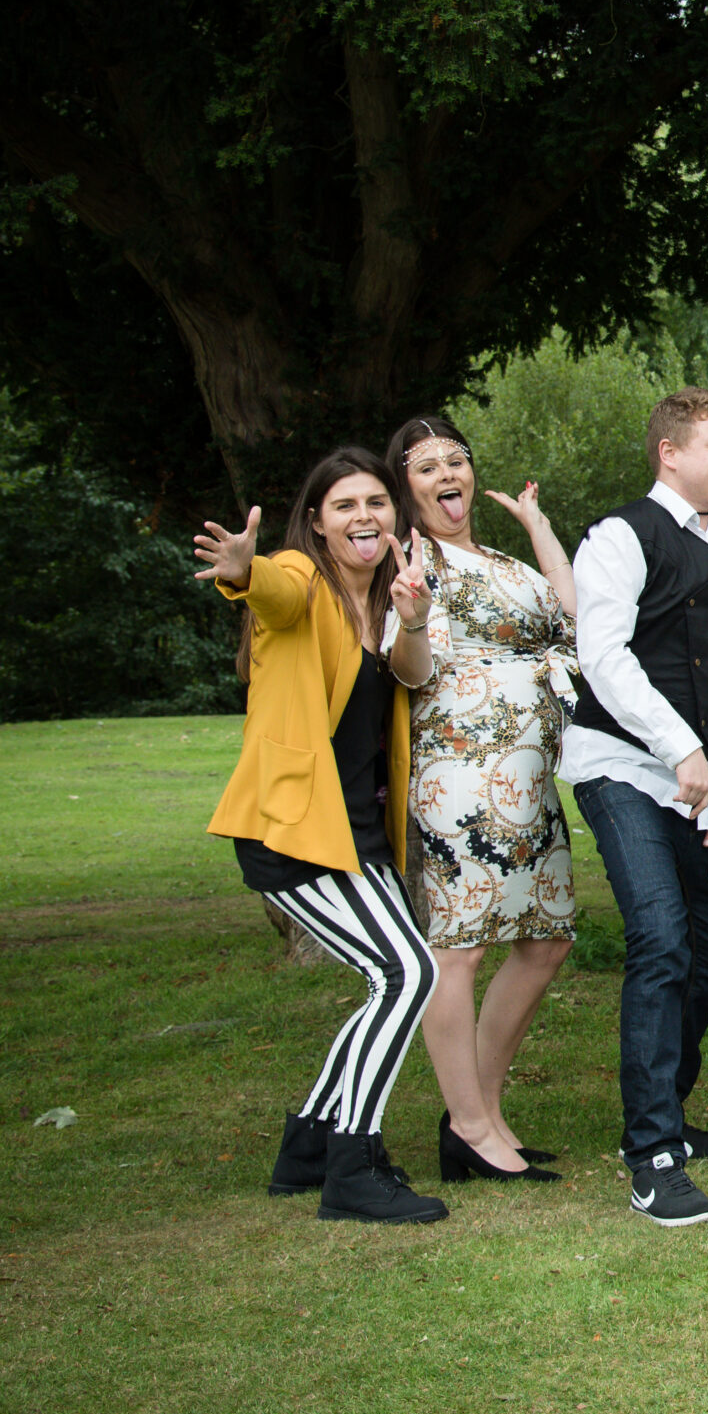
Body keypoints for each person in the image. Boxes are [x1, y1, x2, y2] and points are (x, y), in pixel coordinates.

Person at [199, 448, 446, 1225]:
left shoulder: (386, 598)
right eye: (344, 505)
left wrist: (412, 620)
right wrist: (245, 568)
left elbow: (409, 675)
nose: (364, 516)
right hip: (294, 829)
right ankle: (351, 1162)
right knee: (407, 976)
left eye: (376, 501)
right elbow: (268, 591)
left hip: (356, 831)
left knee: (399, 975)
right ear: (316, 522)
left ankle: (308, 1144)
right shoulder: (302, 582)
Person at [562, 388, 708, 1228]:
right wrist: (678, 745)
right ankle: (650, 1153)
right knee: (660, 938)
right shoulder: (618, 538)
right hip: (619, 764)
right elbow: (601, 654)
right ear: (669, 453)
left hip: (701, 791)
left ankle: (667, 1116)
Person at [382, 415, 576, 1185]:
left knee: (546, 938)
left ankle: (482, 1113)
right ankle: (468, 1122)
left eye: (455, 460)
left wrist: (538, 527)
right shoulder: (408, 561)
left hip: (529, 778)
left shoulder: (496, 557)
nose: (445, 474)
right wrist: (414, 617)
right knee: (459, 947)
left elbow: (567, 612)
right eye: (425, 465)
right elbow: (405, 667)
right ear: (407, 485)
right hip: (458, 773)